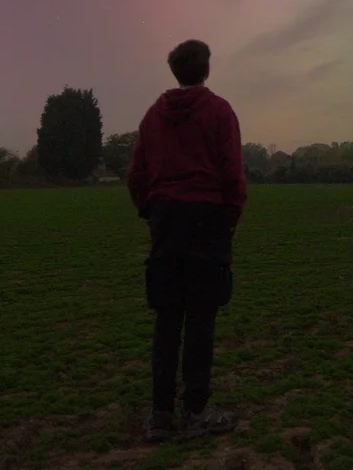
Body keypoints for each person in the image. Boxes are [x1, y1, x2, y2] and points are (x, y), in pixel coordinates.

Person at [126, 39, 246, 443]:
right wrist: (227, 220)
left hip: (165, 221)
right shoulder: (218, 110)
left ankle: (159, 415)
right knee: (201, 317)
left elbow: (136, 174)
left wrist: (151, 212)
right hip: (206, 218)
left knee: (167, 317)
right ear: (206, 69)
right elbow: (232, 172)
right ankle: (195, 412)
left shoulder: (152, 116)